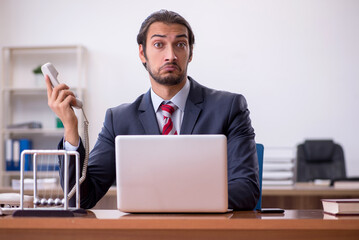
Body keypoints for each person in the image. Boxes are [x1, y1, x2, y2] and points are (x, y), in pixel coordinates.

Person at [46, 9, 259, 210]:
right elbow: (81, 199)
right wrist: (71, 128)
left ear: (190, 53)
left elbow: (246, 191)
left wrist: (169, 196)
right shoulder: (119, 119)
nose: (171, 55)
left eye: (180, 45)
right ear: (142, 52)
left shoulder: (229, 108)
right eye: (159, 44)